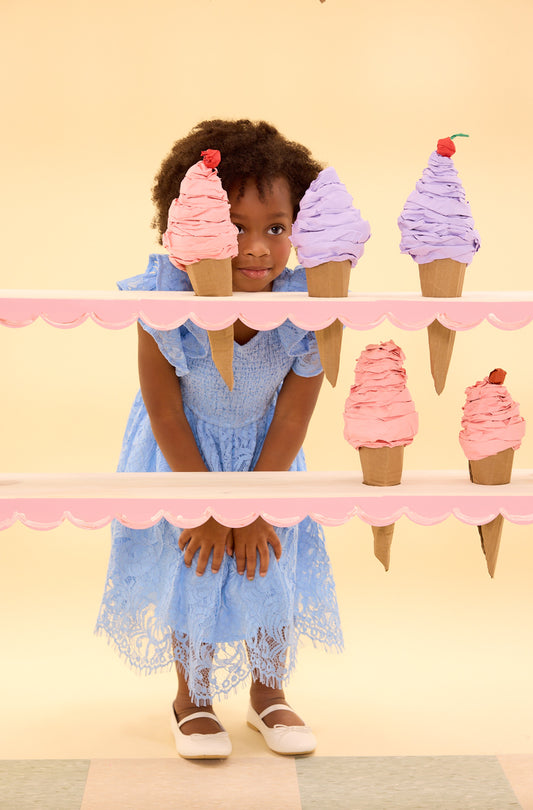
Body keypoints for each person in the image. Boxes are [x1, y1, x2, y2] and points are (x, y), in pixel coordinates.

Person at [96, 119, 343, 759]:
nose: (257, 248)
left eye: (276, 228)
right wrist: (205, 505)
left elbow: (294, 413)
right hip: (181, 454)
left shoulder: (306, 306)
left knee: (270, 564)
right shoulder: (165, 300)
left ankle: (269, 691)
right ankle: (193, 695)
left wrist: (256, 504)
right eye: (234, 227)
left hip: (269, 456)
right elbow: (162, 407)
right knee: (196, 566)